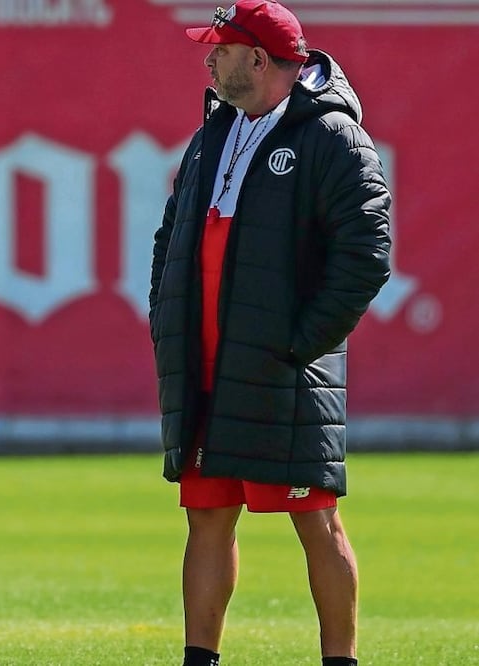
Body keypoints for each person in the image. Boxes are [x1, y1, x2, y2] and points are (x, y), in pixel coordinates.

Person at [147, 1, 392, 665]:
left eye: (221, 49)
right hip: (204, 363)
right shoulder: (213, 133)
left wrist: (298, 345)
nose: (210, 60)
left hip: (282, 368)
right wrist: (165, 316)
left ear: (257, 58)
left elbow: (365, 256)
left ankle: (339, 659)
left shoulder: (333, 137)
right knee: (206, 515)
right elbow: (172, 235)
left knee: (314, 518)